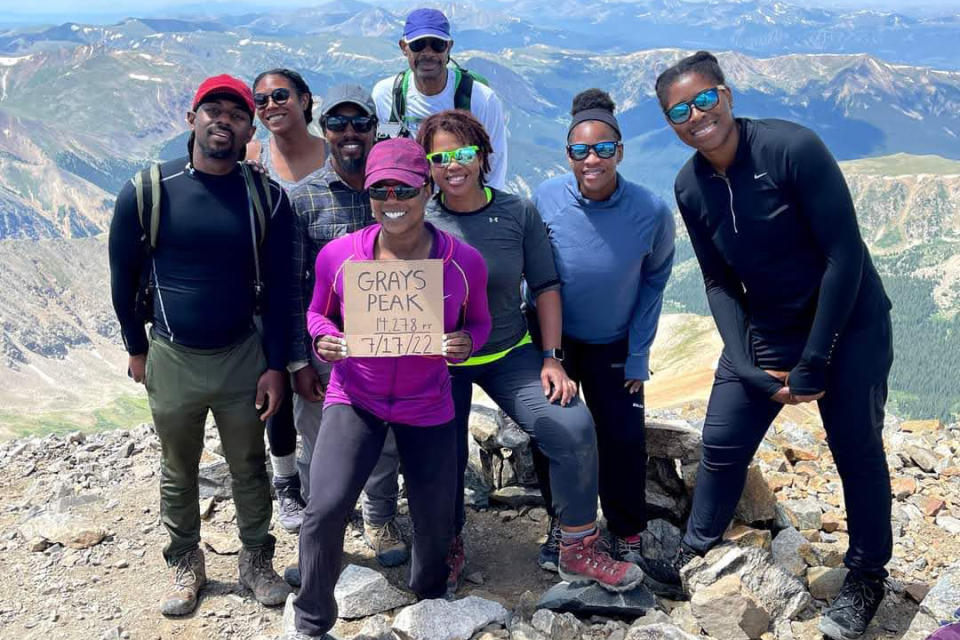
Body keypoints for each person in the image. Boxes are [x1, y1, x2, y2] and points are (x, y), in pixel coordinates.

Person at [655, 51, 893, 639]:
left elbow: (846, 256)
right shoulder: (690, 184)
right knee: (721, 441)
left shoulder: (793, 149)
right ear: (670, 121)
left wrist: (817, 358)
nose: (697, 116)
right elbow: (717, 279)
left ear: (728, 95)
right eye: (680, 110)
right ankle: (698, 547)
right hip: (768, 327)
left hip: (850, 320)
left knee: (855, 448)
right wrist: (740, 358)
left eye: (705, 99)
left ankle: (865, 574)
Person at [416, 109, 642, 592]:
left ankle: (576, 547)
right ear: (429, 165)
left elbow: (544, 286)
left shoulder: (516, 212)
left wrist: (552, 357)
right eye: (440, 157)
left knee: (573, 425)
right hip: (440, 361)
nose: (452, 166)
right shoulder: (419, 217)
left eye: (463, 153)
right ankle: (446, 542)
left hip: (508, 350)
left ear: (481, 157)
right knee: (439, 451)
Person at [287, 138, 491, 640]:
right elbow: (317, 312)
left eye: (405, 187)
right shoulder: (340, 256)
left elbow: (481, 322)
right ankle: (312, 621)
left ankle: (427, 601)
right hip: (356, 397)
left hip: (428, 402)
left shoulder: (463, 262)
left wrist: (466, 342)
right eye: (380, 189)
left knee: (435, 514)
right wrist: (324, 337)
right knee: (325, 509)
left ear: (427, 189)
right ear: (368, 193)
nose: (392, 199)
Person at [108, 74, 293, 616]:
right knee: (177, 466)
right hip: (171, 353)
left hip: (243, 355)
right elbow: (123, 277)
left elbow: (281, 289)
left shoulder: (266, 198)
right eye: (213, 110)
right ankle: (184, 565)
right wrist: (135, 347)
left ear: (248, 128)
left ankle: (257, 561)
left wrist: (276, 364)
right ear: (191, 120)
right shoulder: (147, 191)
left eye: (236, 115)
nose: (223, 121)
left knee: (250, 465)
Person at [532, 89, 680, 596]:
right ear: (567, 154)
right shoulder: (547, 197)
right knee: (555, 432)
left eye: (602, 149)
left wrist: (639, 352)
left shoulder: (651, 211)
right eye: (579, 151)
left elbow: (655, 280)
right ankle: (563, 525)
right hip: (557, 341)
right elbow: (536, 272)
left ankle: (627, 532)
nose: (590, 159)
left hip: (616, 343)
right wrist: (547, 353)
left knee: (622, 437)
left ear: (619, 150)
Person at [247, 68, 328, 534]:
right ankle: (285, 482)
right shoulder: (252, 159)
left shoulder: (334, 155)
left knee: (317, 396)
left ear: (304, 99)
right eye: (262, 100)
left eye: (281, 95)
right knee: (276, 380)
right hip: (269, 292)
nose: (272, 105)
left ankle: (330, 482)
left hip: (321, 297)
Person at [371, 7, 509, 190]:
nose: (428, 53)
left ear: (449, 47)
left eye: (437, 44)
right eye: (418, 45)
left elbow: (495, 161)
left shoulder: (481, 99)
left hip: (462, 203)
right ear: (404, 48)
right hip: (409, 203)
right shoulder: (385, 95)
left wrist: (486, 212)